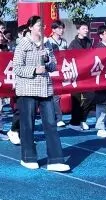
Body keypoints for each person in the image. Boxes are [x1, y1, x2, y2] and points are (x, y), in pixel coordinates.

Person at [12, 16, 69, 172]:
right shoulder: (23, 44)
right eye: (38, 25)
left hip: (45, 89)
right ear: (30, 27)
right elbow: (16, 68)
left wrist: (47, 59)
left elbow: (52, 66)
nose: (41, 28)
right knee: (28, 124)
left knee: (51, 123)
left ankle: (56, 159)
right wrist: (34, 70)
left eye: (43, 26)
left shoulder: (47, 44)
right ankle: (28, 157)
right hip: (27, 89)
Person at [67, 23, 96, 132]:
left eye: (87, 28)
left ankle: (82, 118)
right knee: (76, 99)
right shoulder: (73, 43)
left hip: (87, 74)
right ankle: (74, 122)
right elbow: (69, 57)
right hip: (76, 75)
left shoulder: (89, 42)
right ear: (78, 30)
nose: (86, 30)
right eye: (83, 28)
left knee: (91, 96)